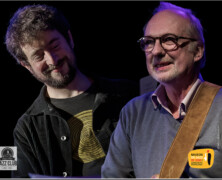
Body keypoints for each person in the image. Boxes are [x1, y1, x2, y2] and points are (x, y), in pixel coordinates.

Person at [5, 4, 139, 178]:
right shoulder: (26, 129)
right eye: (39, 56)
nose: (52, 59)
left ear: (69, 39)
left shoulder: (129, 94)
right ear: (27, 66)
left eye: (54, 45)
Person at [101, 2, 222, 178]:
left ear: (197, 51)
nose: (156, 51)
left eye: (169, 40)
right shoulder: (133, 112)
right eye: (149, 42)